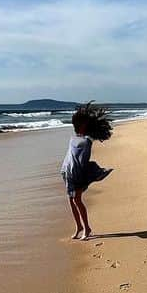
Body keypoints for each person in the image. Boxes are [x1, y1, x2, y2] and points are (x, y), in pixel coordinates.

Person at [61, 102, 114, 240]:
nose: (77, 126)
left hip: (78, 174)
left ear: (85, 125)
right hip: (68, 172)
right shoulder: (73, 138)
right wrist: (65, 170)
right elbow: (70, 156)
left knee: (77, 200)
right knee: (71, 200)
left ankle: (87, 228)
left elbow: (83, 160)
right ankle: (79, 227)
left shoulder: (86, 142)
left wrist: (87, 174)